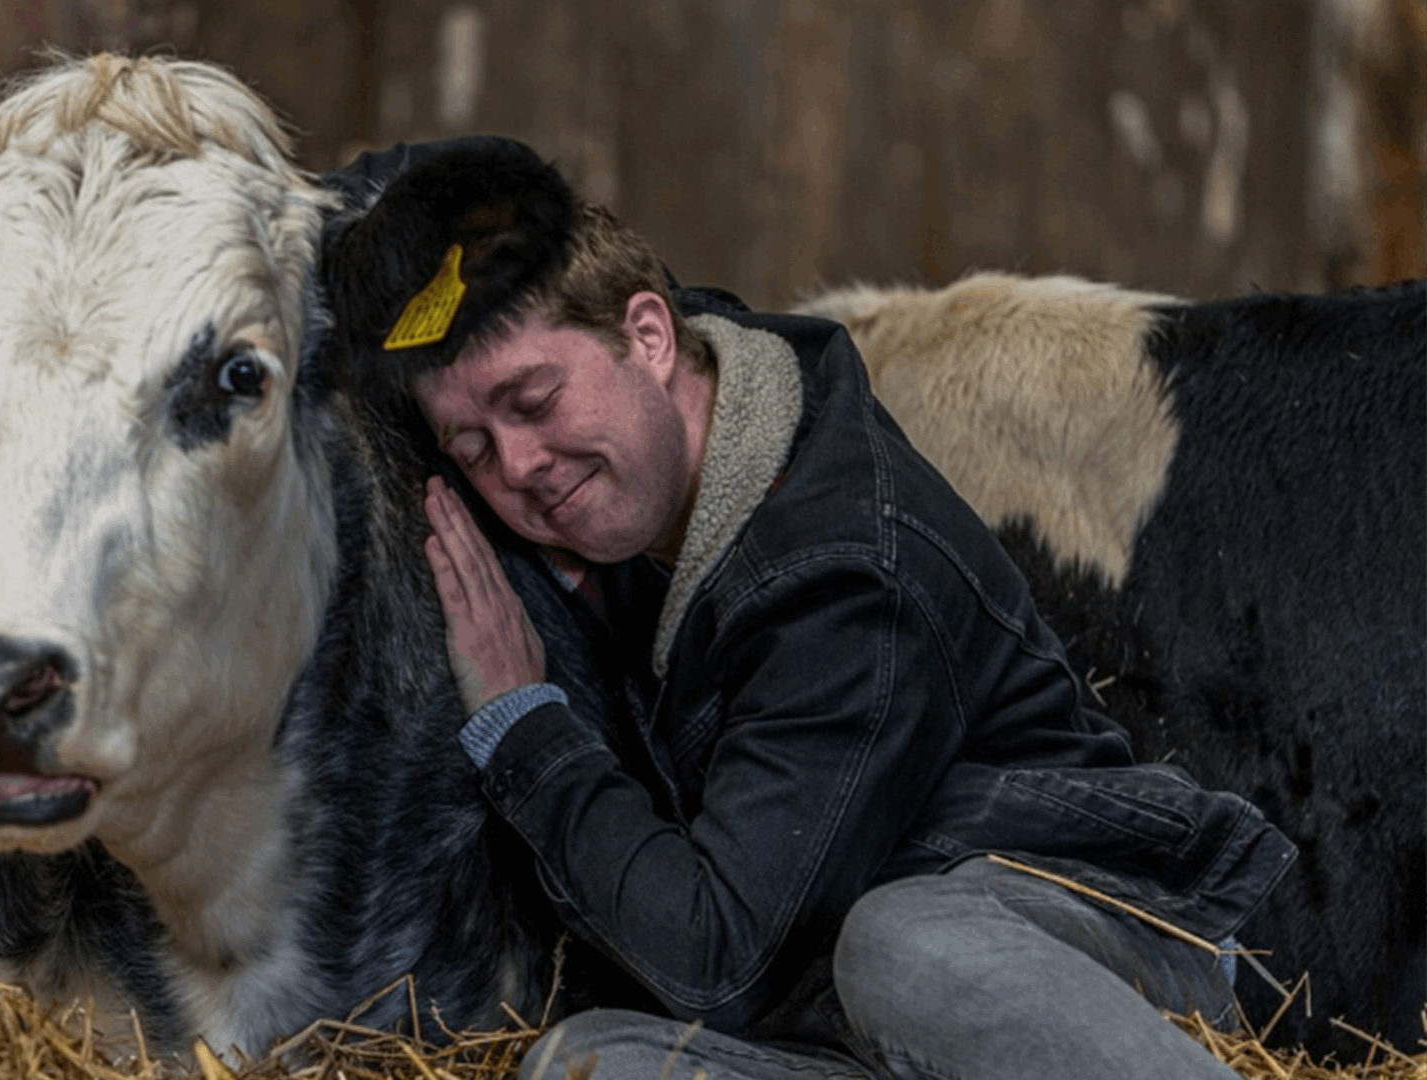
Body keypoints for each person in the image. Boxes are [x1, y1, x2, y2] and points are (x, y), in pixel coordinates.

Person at [321, 138, 1295, 1080]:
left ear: (650, 337)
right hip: (851, 1021)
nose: (519, 467)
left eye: (532, 402)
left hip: (1090, 958)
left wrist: (524, 724)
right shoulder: (687, 419)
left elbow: (717, 962)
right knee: (589, 1063)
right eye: (475, 450)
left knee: (902, 945)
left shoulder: (846, 574)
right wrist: (303, 223)